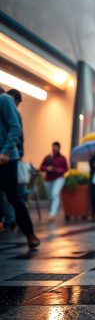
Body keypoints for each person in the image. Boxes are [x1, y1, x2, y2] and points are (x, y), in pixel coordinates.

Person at [0, 84, 39, 247]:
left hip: (6, 158)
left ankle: (30, 234)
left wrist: (6, 151)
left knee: (14, 197)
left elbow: (15, 127)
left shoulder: (4, 99)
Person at [1, 89, 25, 229]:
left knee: (12, 194)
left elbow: (17, 130)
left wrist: (8, 151)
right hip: (8, 154)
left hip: (9, 155)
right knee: (11, 193)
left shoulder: (5, 100)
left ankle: (13, 220)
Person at [40, 142, 69, 221]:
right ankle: (53, 210)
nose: (54, 148)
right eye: (53, 147)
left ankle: (52, 214)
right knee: (51, 196)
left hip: (58, 178)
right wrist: (47, 168)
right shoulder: (48, 157)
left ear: (59, 148)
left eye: (56, 147)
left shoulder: (62, 158)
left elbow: (66, 169)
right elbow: (41, 167)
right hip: (48, 179)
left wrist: (55, 169)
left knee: (55, 194)